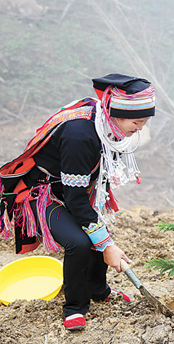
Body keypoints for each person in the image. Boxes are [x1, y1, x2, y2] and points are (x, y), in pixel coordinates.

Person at [0, 74, 156, 329]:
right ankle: (74, 306)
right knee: (80, 242)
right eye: (137, 122)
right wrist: (107, 246)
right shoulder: (80, 135)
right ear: (114, 112)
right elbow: (75, 201)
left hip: (73, 191)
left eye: (144, 122)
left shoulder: (104, 121)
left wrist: (104, 241)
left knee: (97, 232)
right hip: (43, 194)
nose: (140, 128)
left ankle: (99, 290)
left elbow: (82, 196)